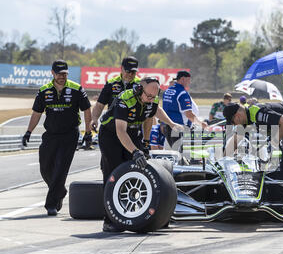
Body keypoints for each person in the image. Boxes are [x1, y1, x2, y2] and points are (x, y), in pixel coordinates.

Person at [98, 77, 183, 232]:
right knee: (113, 173)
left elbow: (153, 113)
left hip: (133, 131)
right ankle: (109, 219)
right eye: (148, 96)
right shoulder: (126, 99)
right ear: (138, 90)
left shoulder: (152, 99)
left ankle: (148, 214)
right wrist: (135, 151)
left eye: (154, 97)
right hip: (112, 135)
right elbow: (120, 131)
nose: (151, 100)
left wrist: (168, 125)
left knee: (142, 168)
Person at [21, 60, 92, 216]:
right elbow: (36, 113)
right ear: (52, 73)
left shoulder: (76, 89)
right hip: (51, 135)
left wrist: (88, 133)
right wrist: (28, 132)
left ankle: (51, 204)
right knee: (45, 167)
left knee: (60, 169)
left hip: (70, 135)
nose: (62, 76)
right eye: (59, 74)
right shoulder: (44, 91)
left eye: (65, 74)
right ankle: (59, 191)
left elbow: (87, 110)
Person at [223, 102, 283, 182]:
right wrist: (223, 163)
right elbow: (235, 141)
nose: (235, 125)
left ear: (237, 116)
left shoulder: (257, 113)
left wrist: (273, 144)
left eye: (233, 122)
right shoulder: (247, 118)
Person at [90, 56, 141, 133]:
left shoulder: (140, 84)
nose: (130, 74)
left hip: (132, 128)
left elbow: (148, 109)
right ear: (121, 68)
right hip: (112, 126)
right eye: (128, 71)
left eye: (133, 72)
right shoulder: (111, 83)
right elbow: (100, 104)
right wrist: (94, 119)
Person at [161, 70, 208, 148]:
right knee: (181, 156)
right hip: (179, 128)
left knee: (168, 154)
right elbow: (189, 114)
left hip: (167, 126)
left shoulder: (167, 91)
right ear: (182, 79)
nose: (189, 82)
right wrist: (201, 124)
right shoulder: (182, 93)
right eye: (188, 80)